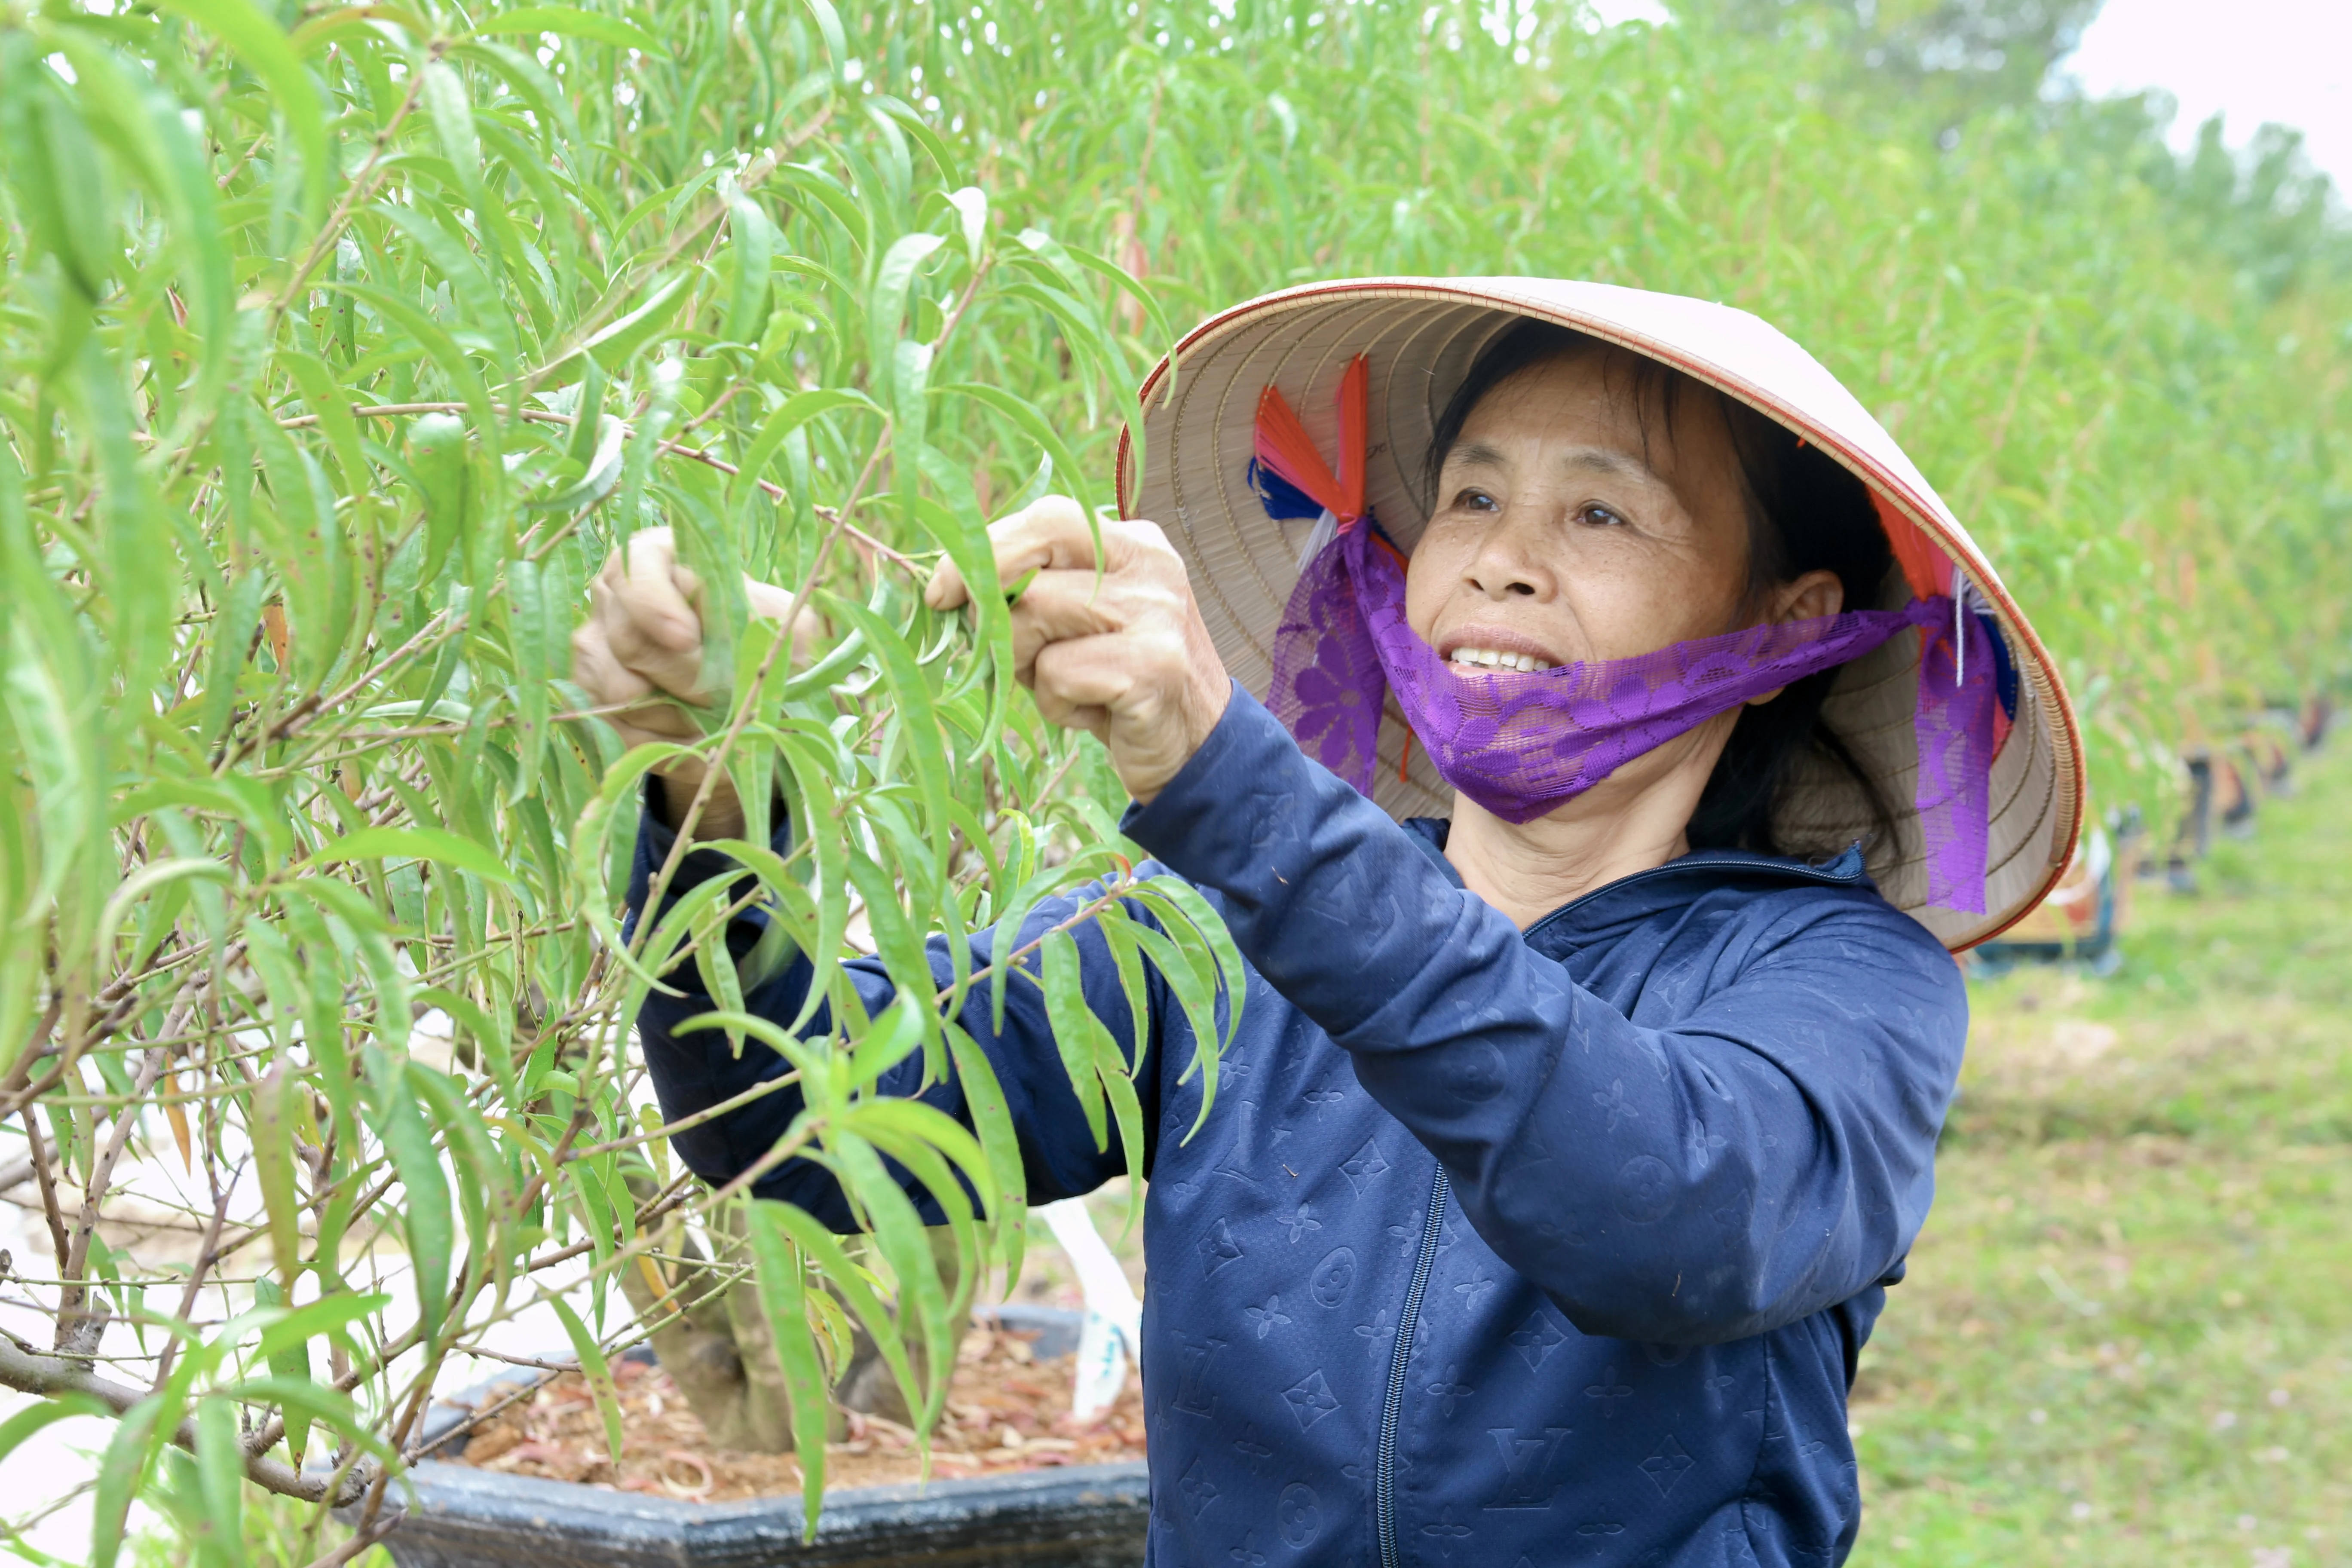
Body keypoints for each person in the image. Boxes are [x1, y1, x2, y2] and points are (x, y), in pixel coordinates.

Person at [572, 278, 2082, 1567]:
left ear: (1786, 620)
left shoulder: (1839, 980)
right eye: (1472, 497)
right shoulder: (1209, 941)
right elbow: (798, 1119)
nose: (1499, 557)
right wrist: (711, 818)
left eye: (1600, 511)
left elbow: (1667, 1217)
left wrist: (1229, 782)